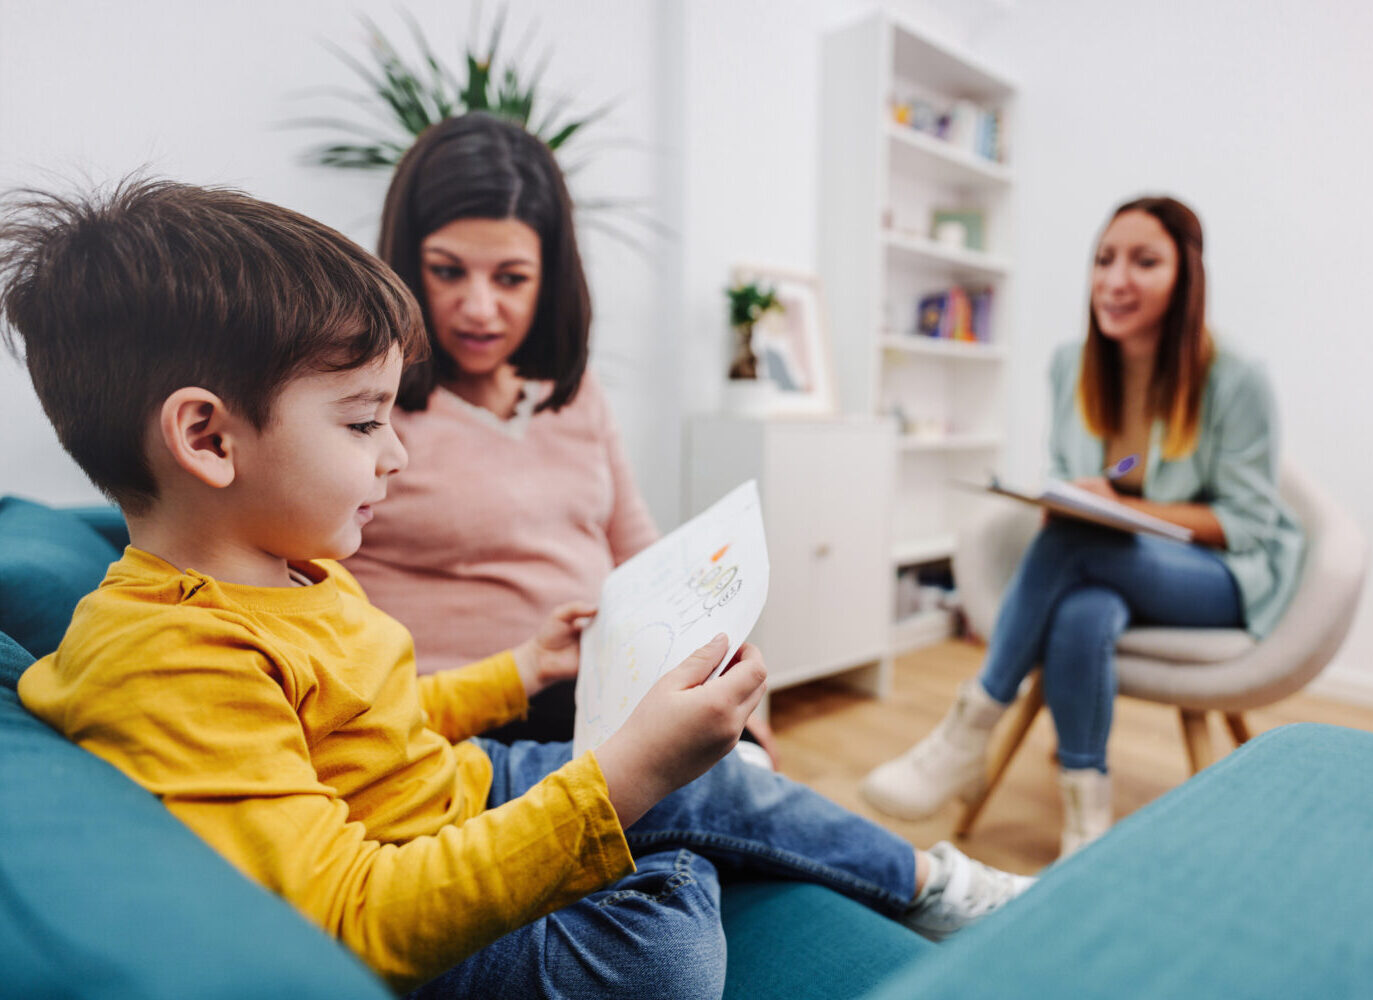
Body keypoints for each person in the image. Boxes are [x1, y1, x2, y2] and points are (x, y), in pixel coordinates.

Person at [0, 178, 1033, 1000]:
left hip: (446, 790)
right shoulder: (176, 659)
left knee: (711, 784)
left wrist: (518, 671)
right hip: (403, 878)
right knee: (663, 938)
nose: (397, 455)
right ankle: (685, 849)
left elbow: (378, 716)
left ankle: (935, 885)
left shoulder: (289, 566)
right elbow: (351, 916)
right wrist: (620, 783)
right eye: (364, 424)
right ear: (208, 438)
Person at [861, 196, 1305, 858]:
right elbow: (1070, 477)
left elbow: (1244, 523)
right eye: (1104, 259)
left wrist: (1115, 513)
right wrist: (1067, 500)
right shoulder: (1072, 366)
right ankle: (1085, 822)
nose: (1115, 279)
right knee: (1083, 612)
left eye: (1144, 261)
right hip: (1109, 566)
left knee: (1080, 539)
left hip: (1221, 576)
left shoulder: (1237, 378)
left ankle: (967, 730)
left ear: (1187, 278)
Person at [341, 111, 777, 761]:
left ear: (549, 278)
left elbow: (639, 552)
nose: (480, 308)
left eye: (511, 278)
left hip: (602, 689)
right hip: (461, 710)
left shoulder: (573, 394)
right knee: (718, 794)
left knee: (741, 763)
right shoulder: (362, 405)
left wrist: (714, 664)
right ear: (407, 264)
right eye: (447, 271)